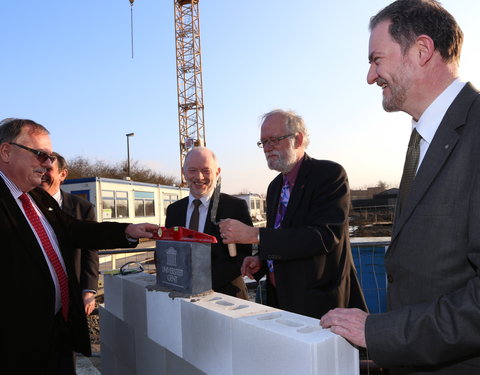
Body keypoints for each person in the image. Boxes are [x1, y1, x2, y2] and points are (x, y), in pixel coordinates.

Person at [320, 1, 480, 373]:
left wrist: (381, 331)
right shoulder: (424, 138)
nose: (371, 76)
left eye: (377, 60)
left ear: (422, 51)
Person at [0, 118, 158, 375]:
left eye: (50, 157)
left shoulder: (36, 197)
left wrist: (127, 231)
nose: (49, 164)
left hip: (57, 333)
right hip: (18, 347)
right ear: (6, 152)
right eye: (40, 155)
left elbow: (74, 230)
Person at [219, 109, 367, 319]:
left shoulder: (329, 175)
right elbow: (283, 233)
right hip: (280, 300)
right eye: (264, 142)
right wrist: (261, 259)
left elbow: (323, 237)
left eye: (274, 140)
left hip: (319, 304)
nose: (268, 148)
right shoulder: (274, 186)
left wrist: (255, 235)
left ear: (297, 139)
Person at [165, 146, 253, 299]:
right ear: (183, 172)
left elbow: (243, 256)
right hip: (182, 294)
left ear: (217, 172)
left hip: (227, 296)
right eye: (192, 170)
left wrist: (201, 283)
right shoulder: (174, 210)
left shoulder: (235, 207)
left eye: (206, 170)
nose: (199, 177)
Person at [41, 152, 99, 316]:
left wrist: (89, 290)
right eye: (38, 169)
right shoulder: (23, 205)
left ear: (63, 174)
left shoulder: (82, 208)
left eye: (47, 169)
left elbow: (91, 251)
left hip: (72, 293)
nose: (42, 174)